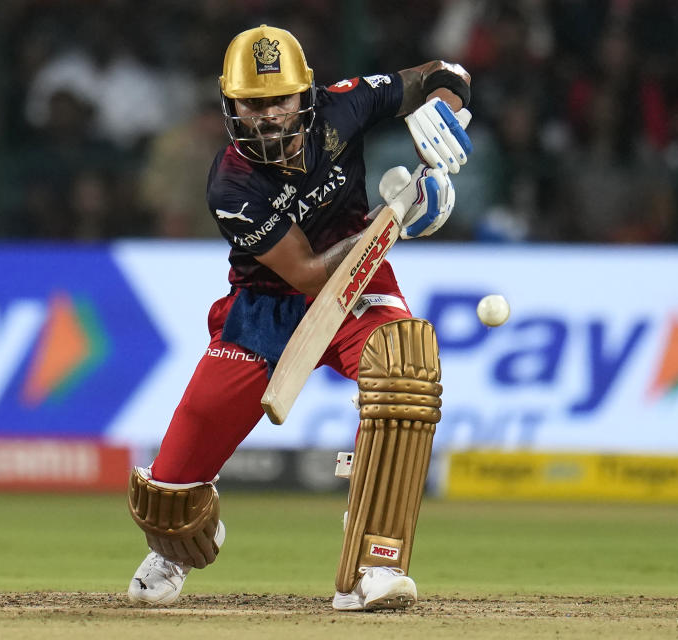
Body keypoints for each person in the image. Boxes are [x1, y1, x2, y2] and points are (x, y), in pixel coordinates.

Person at [125, 24, 472, 611]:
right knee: (168, 493)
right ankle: (173, 553)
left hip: (360, 284)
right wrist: (400, 209)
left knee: (404, 369)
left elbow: (445, 74)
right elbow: (307, 274)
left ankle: (373, 560)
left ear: (306, 94)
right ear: (230, 103)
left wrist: (443, 118)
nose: (265, 117)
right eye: (251, 104)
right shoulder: (231, 181)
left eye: (277, 100)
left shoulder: (346, 105)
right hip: (267, 304)